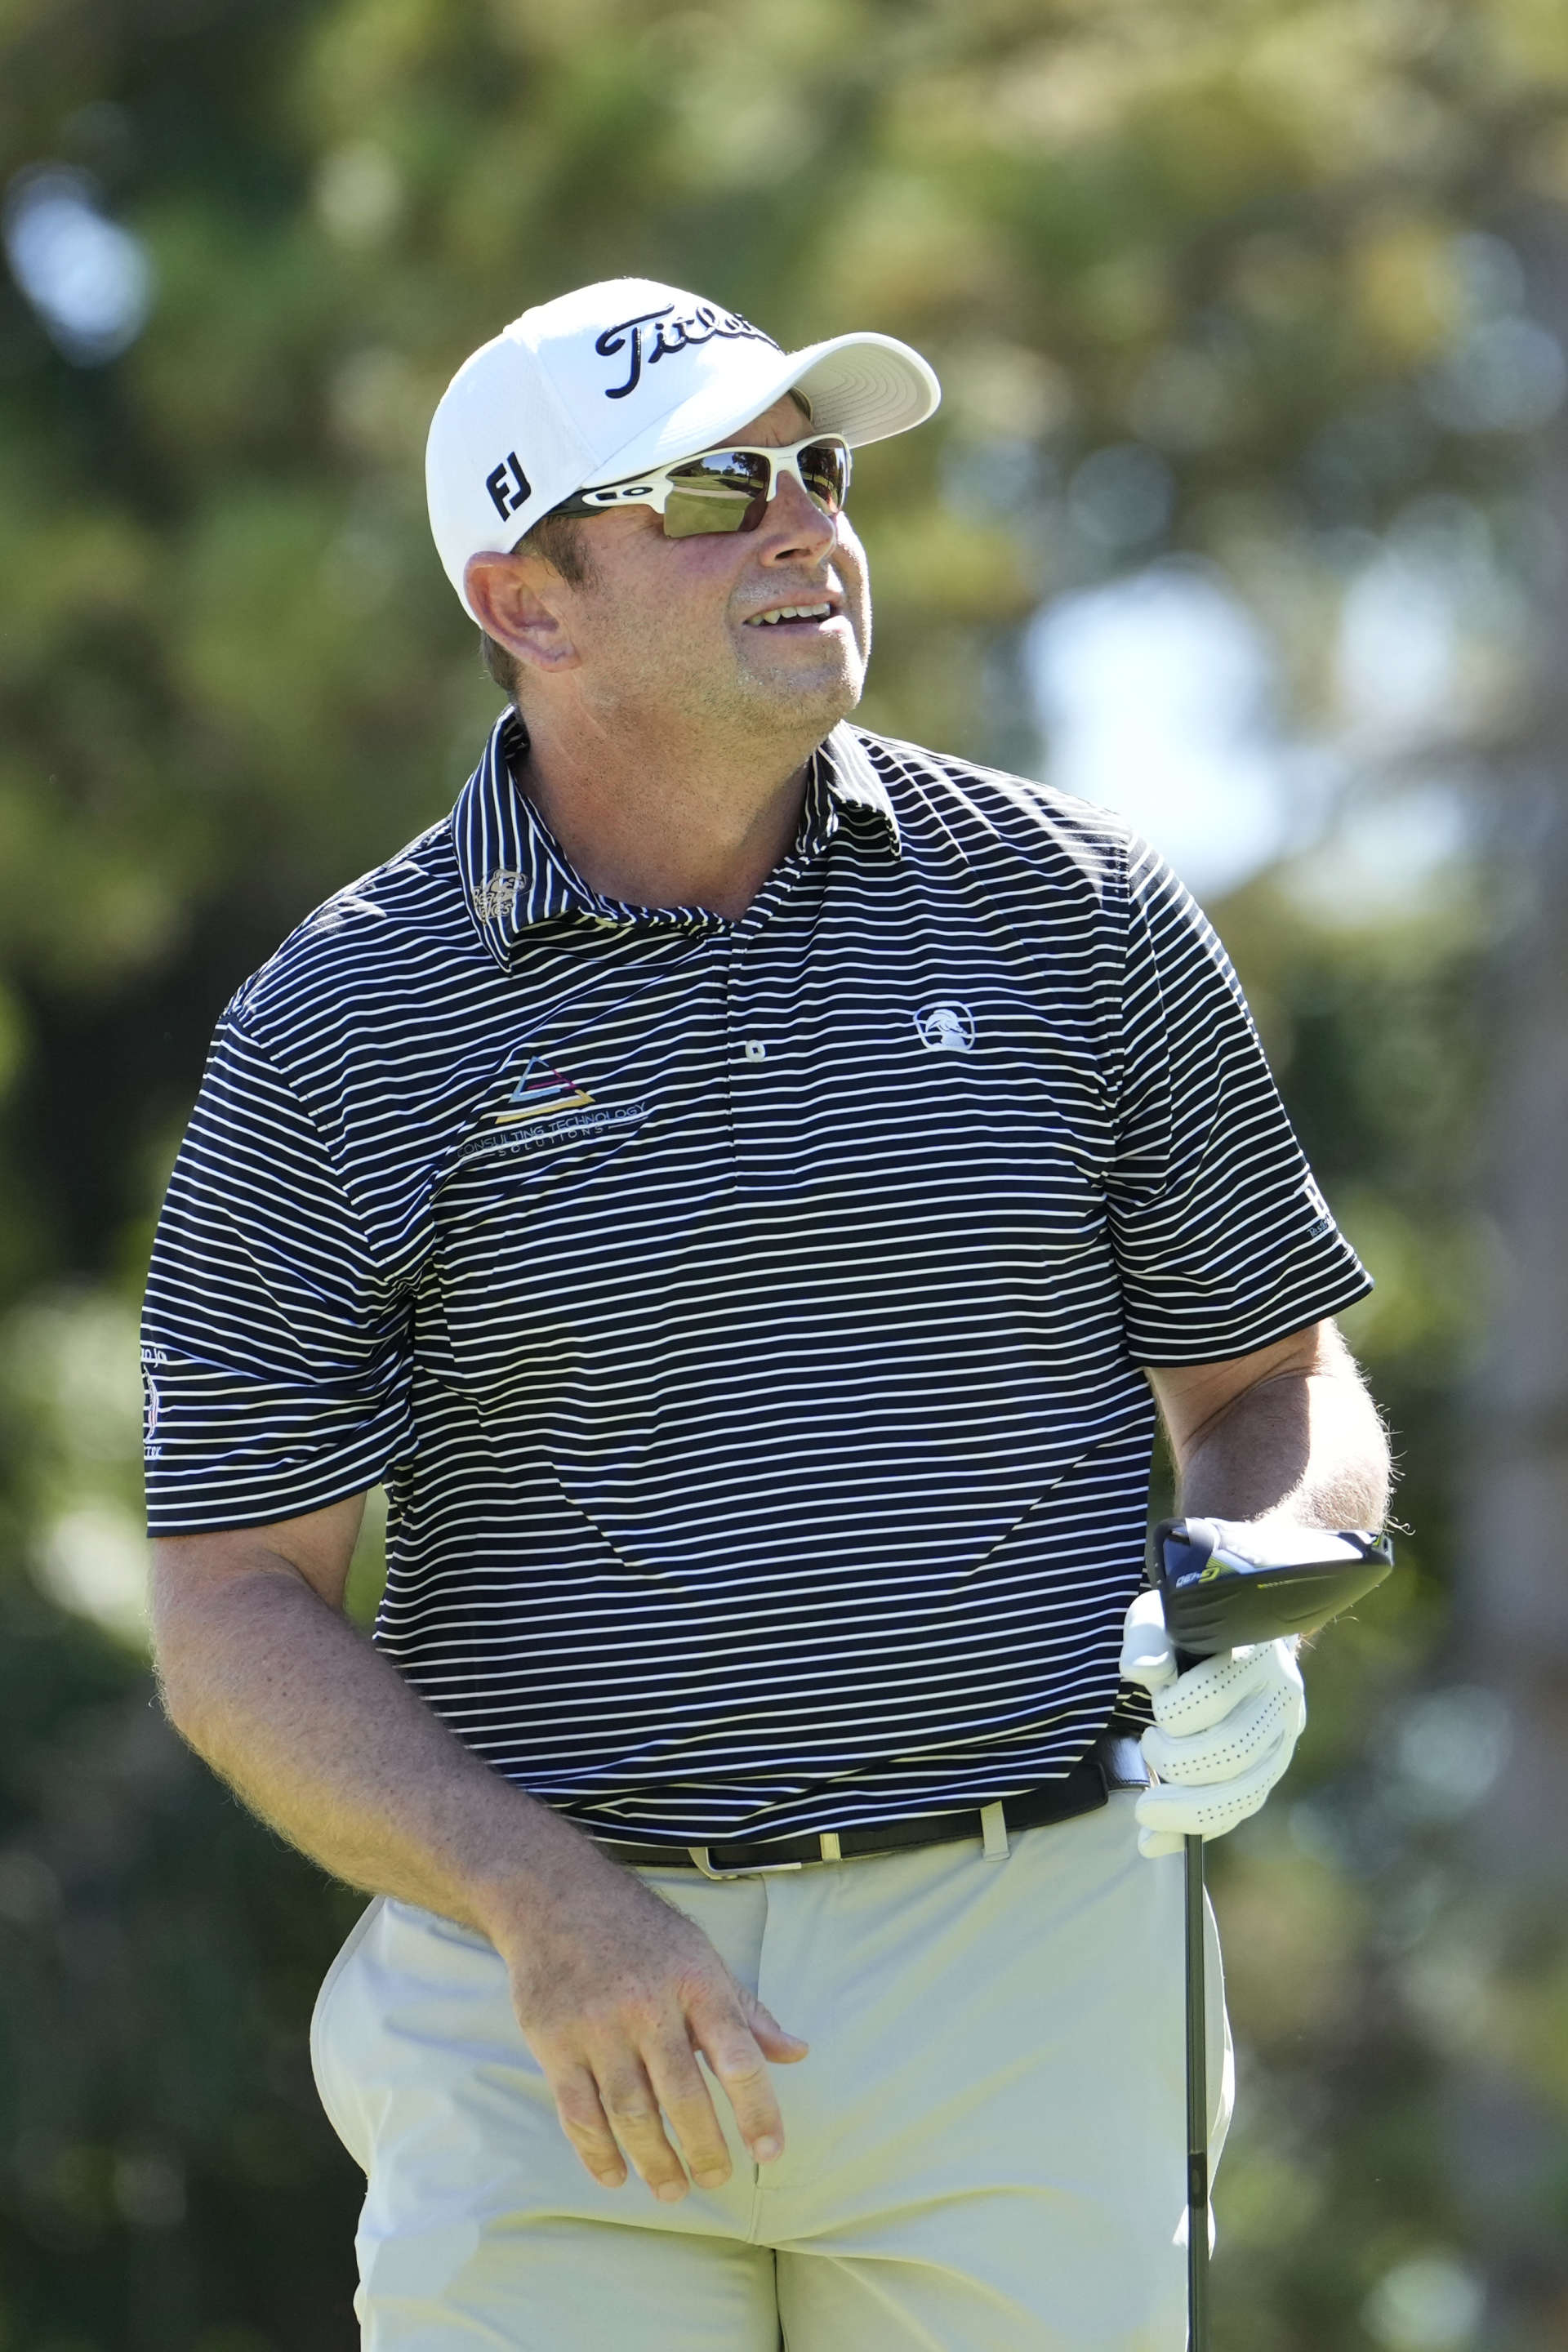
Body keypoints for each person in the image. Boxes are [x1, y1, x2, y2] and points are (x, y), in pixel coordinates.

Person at [143, 277, 1391, 2350]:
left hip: (1028, 1972)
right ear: (526, 602)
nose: (809, 523)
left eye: (820, 471)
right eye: (717, 489)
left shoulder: (1071, 905)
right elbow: (232, 1606)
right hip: (546, 2019)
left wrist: (1270, 1566)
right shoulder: (339, 1025)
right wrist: (543, 1905)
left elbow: (1273, 1376)